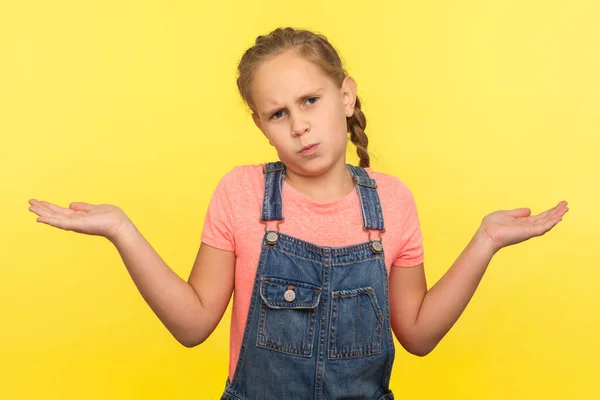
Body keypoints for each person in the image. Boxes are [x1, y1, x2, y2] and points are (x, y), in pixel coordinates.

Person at [28, 27, 569, 400]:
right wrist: (121, 230)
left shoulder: (393, 202)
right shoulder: (241, 194)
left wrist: (485, 242)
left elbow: (419, 335)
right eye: (278, 113)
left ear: (346, 95)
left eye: (311, 100)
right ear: (262, 126)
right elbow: (193, 326)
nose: (299, 125)